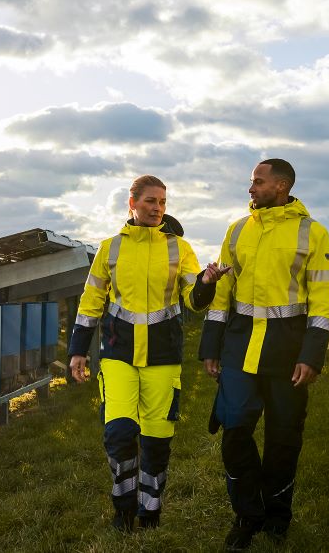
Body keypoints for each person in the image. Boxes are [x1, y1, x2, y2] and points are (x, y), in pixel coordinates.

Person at [68, 175, 230, 532]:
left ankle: (150, 511)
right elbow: (91, 302)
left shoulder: (179, 248)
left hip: (163, 356)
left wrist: (205, 282)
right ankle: (123, 508)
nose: (157, 209)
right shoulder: (110, 248)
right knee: (119, 433)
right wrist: (78, 351)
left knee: (156, 441)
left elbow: (193, 299)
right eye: (150, 202)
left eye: (162, 203)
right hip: (118, 354)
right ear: (132, 203)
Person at [199, 158, 329, 550]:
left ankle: (277, 516)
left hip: (288, 351)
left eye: (257, 181)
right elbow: (222, 294)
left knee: (283, 437)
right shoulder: (237, 229)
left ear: (282, 185)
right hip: (239, 348)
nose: (251, 188)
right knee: (235, 429)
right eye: (251, 182)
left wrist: (311, 356)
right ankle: (247, 514)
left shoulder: (313, 233)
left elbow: (322, 302)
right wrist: (211, 346)